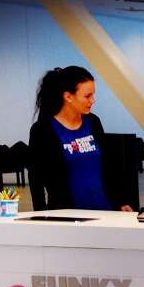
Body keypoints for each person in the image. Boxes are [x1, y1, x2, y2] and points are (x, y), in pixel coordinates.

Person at [26, 66, 134, 211]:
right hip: (68, 216)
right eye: (87, 96)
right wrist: (40, 215)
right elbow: (36, 179)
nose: (93, 100)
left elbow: (108, 167)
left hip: (105, 212)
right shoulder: (42, 130)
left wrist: (120, 201)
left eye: (93, 95)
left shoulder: (93, 122)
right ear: (68, 97)